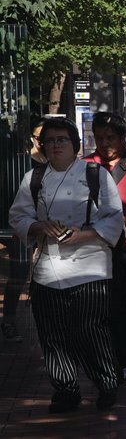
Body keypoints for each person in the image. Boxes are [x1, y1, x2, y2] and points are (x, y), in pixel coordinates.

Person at [8, 117, 124, 412]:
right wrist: (38, 226)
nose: (56, 145)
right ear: (42, 146)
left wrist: (82, 234)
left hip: (92, 265)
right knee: (52, 334)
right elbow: (18, 217)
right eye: (50, 141)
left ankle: (107, 382)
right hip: (49, 267)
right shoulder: (33, 179)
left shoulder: (95, 174)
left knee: (91, 329)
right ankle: (66, 389)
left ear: (76, 145)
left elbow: (113, 217)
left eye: (62, 140)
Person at [83, 112, 126, 381]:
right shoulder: (85, 166)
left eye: (110, 137)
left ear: (123, 138)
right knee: (111, 305)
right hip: (98, 246)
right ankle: (124, 358)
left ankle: (119, 346)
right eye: (99, 138)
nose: (104, 143)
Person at [2, 117, 46, 343]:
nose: (46, 142)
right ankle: (9, 319)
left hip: (46, 226)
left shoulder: (58, 161)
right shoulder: (23, 162)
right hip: (22, 225)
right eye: (41, 137)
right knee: (19, 272)